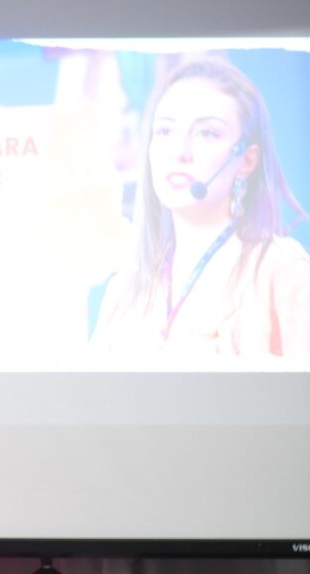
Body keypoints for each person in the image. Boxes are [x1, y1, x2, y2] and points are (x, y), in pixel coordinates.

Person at [91, 58, 310, 358]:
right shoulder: (125, 289)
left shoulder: (279, 269)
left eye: (206, 133)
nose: (180, 152)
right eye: (165, 131)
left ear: (246, 160)